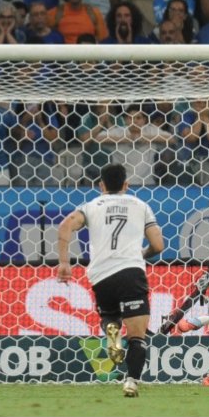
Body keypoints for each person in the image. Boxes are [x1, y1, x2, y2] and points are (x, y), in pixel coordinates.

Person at [57, 163, 164, 398]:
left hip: (101, 276)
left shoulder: (91, 206)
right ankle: (131, 382)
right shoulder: (140, 205)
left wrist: (64, 262)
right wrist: (140, 255)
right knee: (137, 337)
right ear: (126, 185)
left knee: (110, 316)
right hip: (130, 273)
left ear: (101, 185)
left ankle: (111, 330)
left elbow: (65, 226)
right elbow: (158, 245)